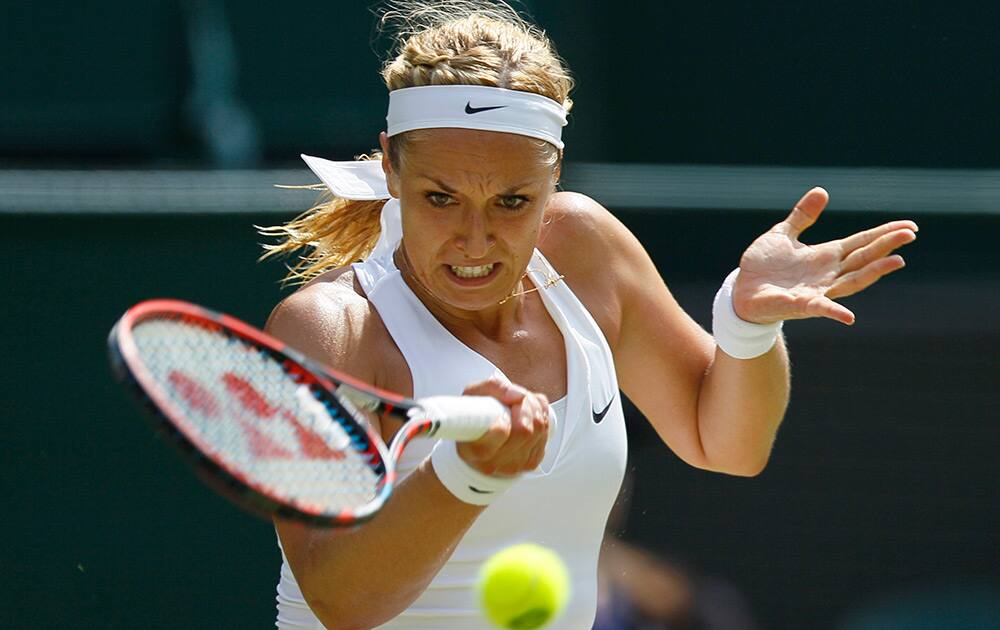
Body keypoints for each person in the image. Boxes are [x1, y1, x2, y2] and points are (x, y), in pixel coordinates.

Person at [260, 2, 918, 628]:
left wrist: (746, 327)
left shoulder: (586, 252)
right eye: (441, 197)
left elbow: (729, 444)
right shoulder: (329, 330)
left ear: (554, 185)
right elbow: (339, 600)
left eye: (512, 201)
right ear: (393, 169)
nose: (475, 237)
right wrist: (465, 475)